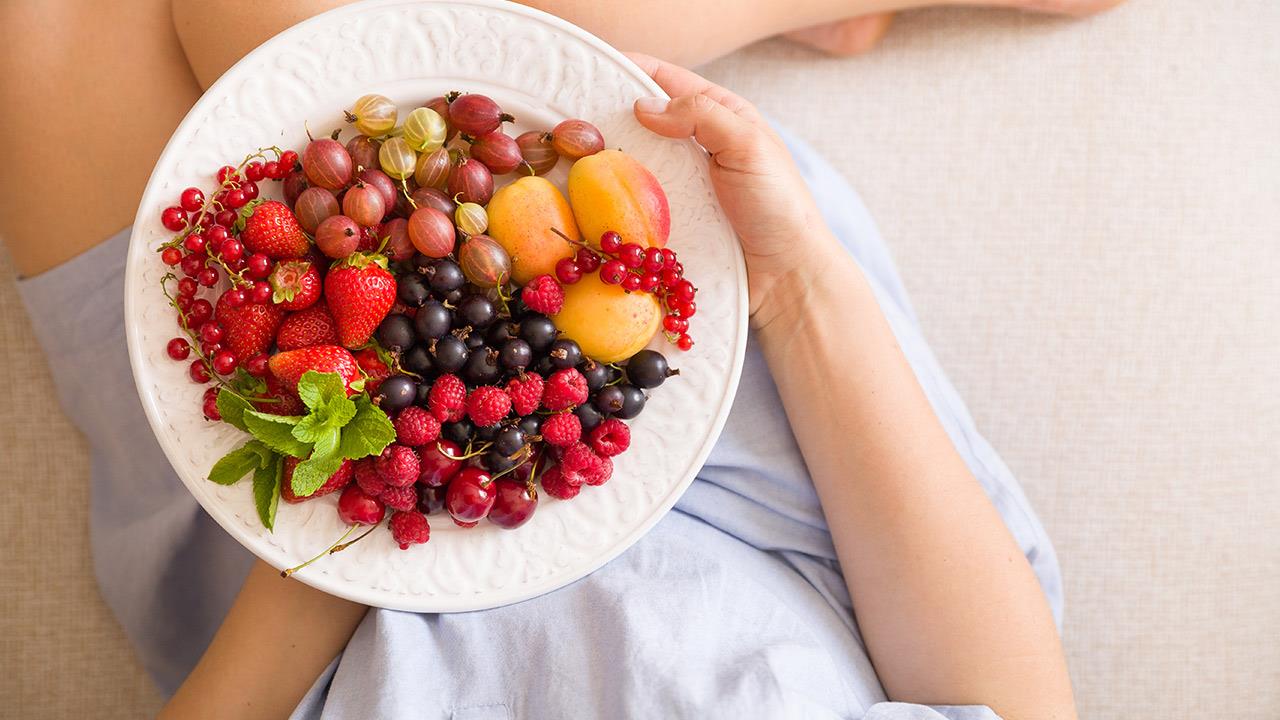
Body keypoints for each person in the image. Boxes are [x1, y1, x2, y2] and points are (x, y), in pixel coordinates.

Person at [2, 1, 1120, 718]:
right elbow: (1004, 698)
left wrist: (343, 544)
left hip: (306, 551)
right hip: (700, 465)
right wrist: (794, 286)